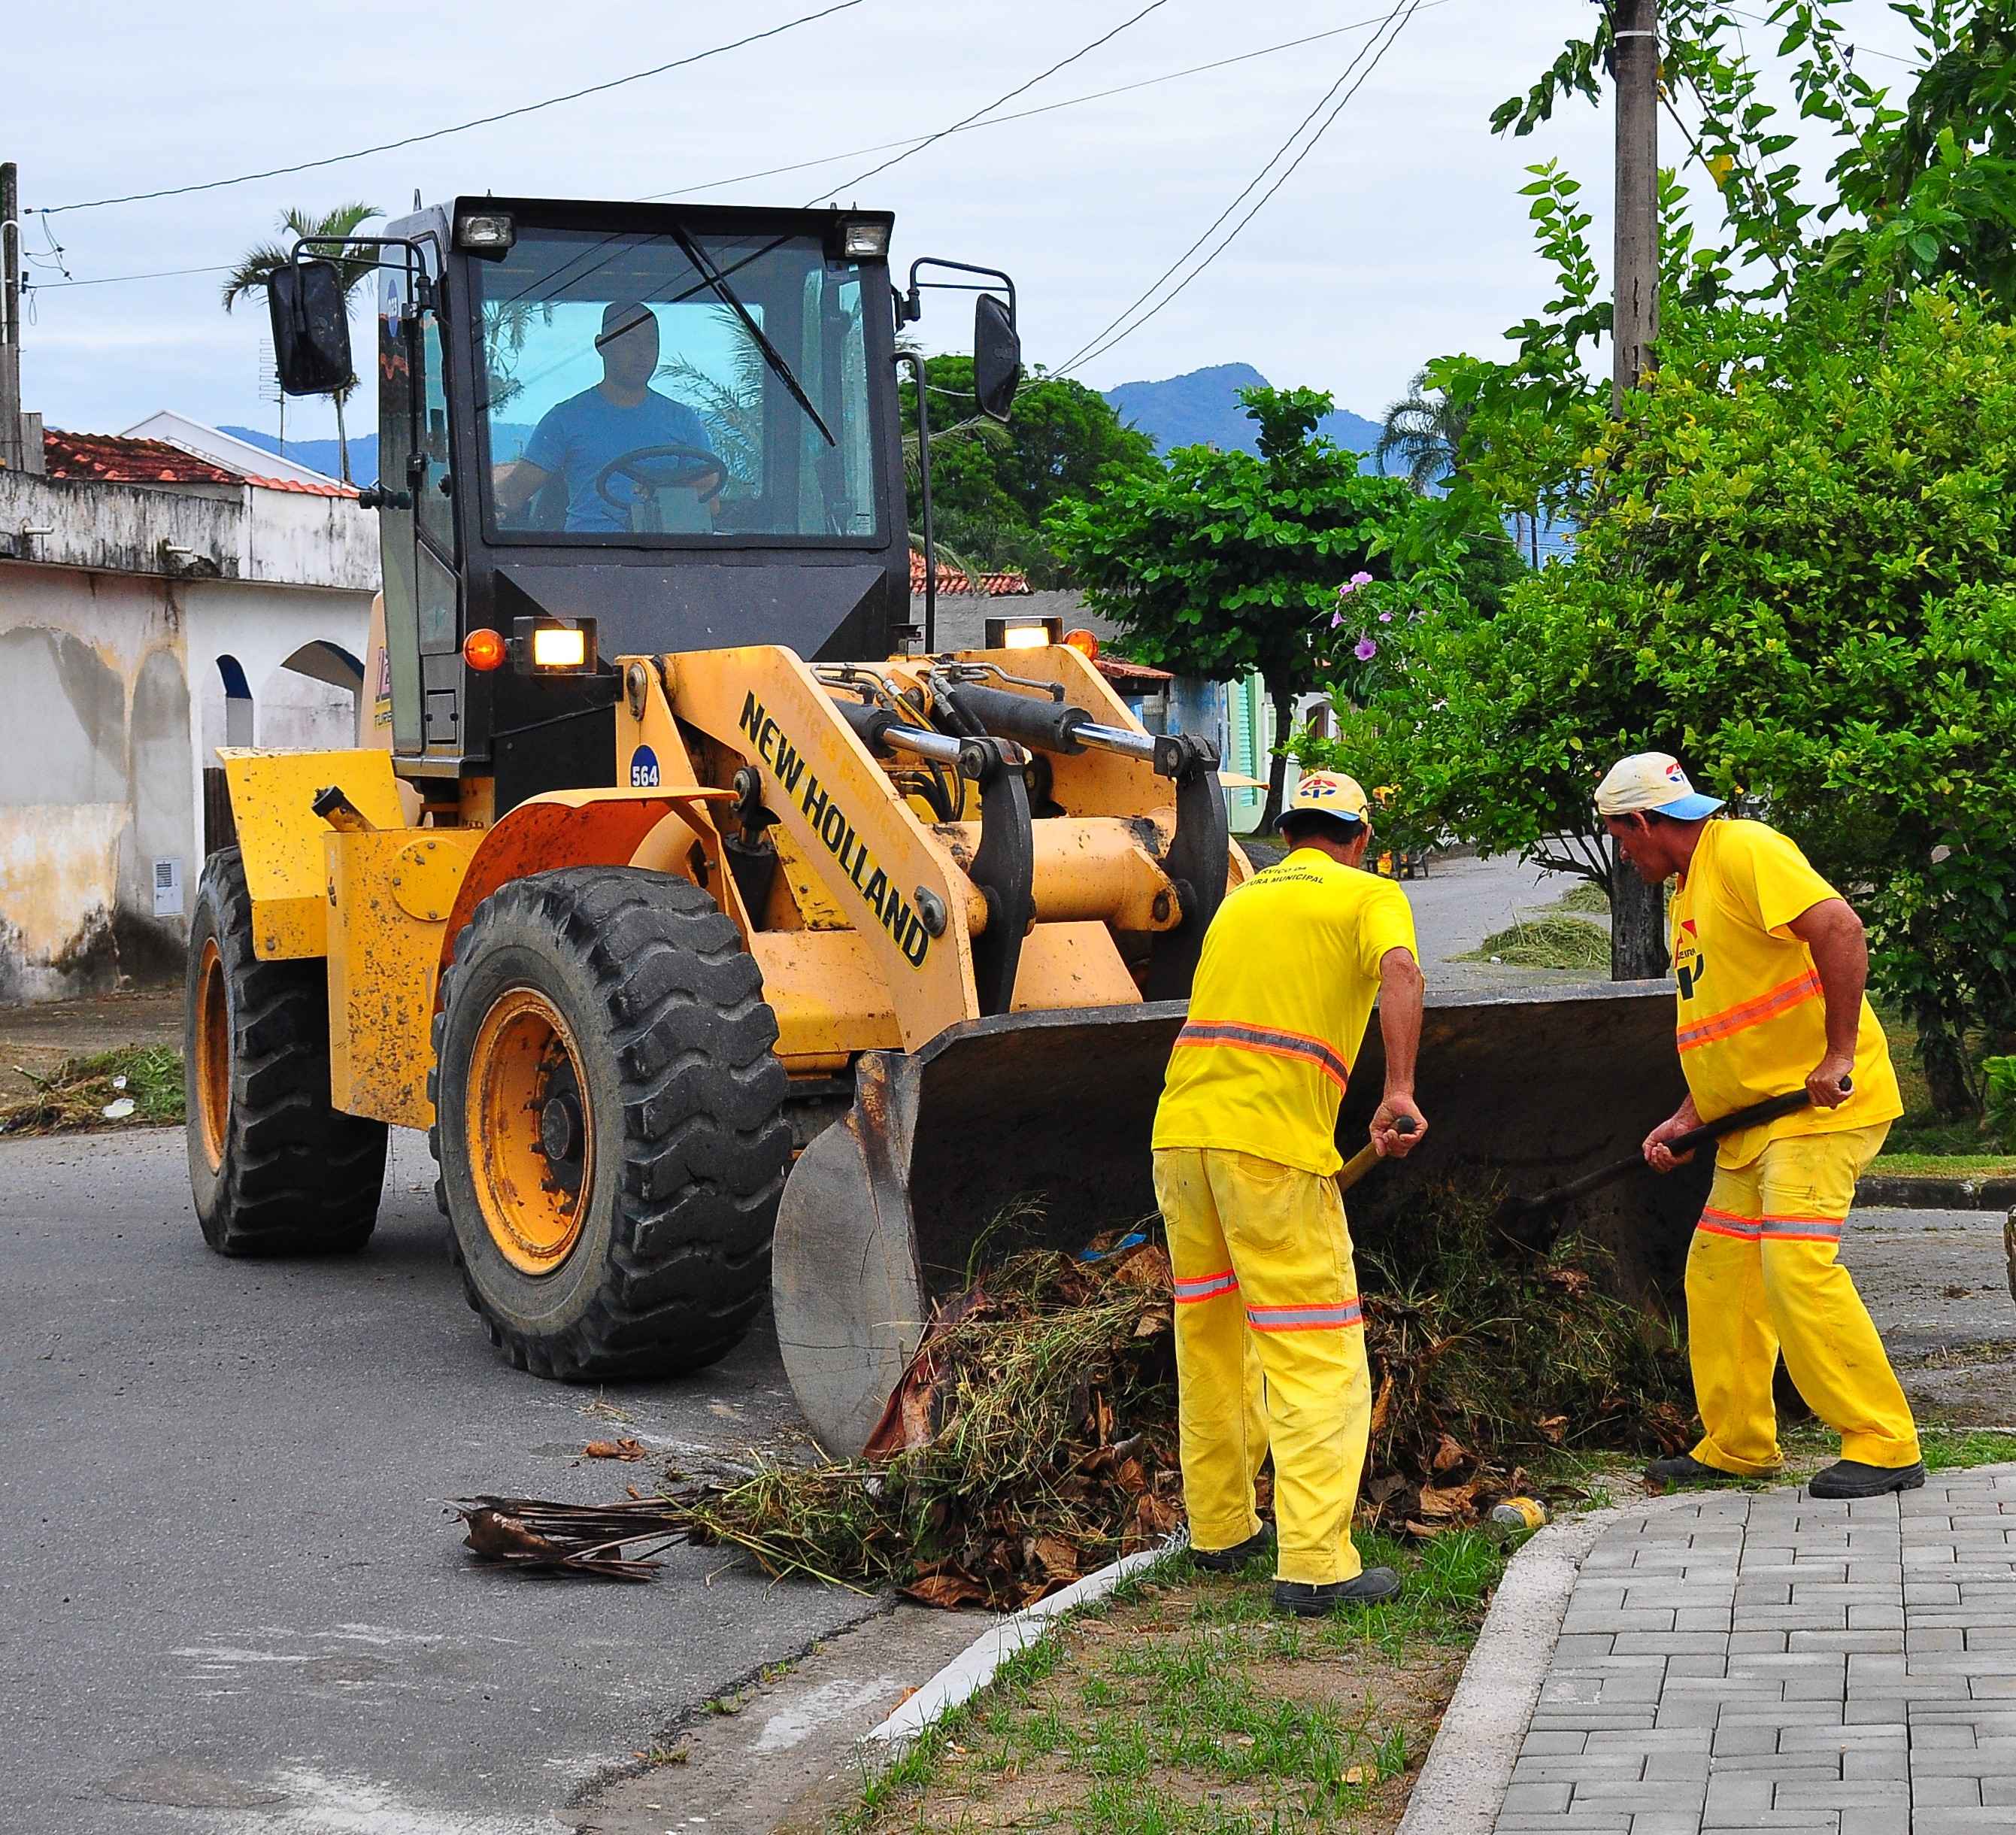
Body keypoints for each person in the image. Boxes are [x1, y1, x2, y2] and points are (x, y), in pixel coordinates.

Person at [1596, 751, 1924, 1500]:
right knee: (1716, 1276)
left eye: (1621, 835)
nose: (1622, 851)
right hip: (1749, 1125)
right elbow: (1724, 1025)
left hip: (1815, 1110)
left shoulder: (1743, 850)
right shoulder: (1688, 890)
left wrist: (1838, 1051)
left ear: (1645, 821)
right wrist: (1685, 1117)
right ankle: (1739, 1442)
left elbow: (1838, 927)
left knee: (1794, 1267)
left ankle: (1883, 1441)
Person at [1150, 771, 1428, 1615]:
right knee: (1314, 1350)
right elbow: (1401, 974)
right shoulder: (1368, 891)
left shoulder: (1241, 898)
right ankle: (1313, 1562)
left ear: (1288, 830)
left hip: (1180, 1138)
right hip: (1270, 1151)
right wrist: (1399, 1091)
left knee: (1212, 1339)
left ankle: (1221, 1529)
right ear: (1357, 837)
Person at [493, 302, 723, 534]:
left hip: (666, 557)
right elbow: (513, 493)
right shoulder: (564, 419)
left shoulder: (684, 421)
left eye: (651, 342)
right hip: (585, 556)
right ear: (601, 344)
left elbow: (710, 501)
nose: (642, 352)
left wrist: (662, 491)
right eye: (629, 340)